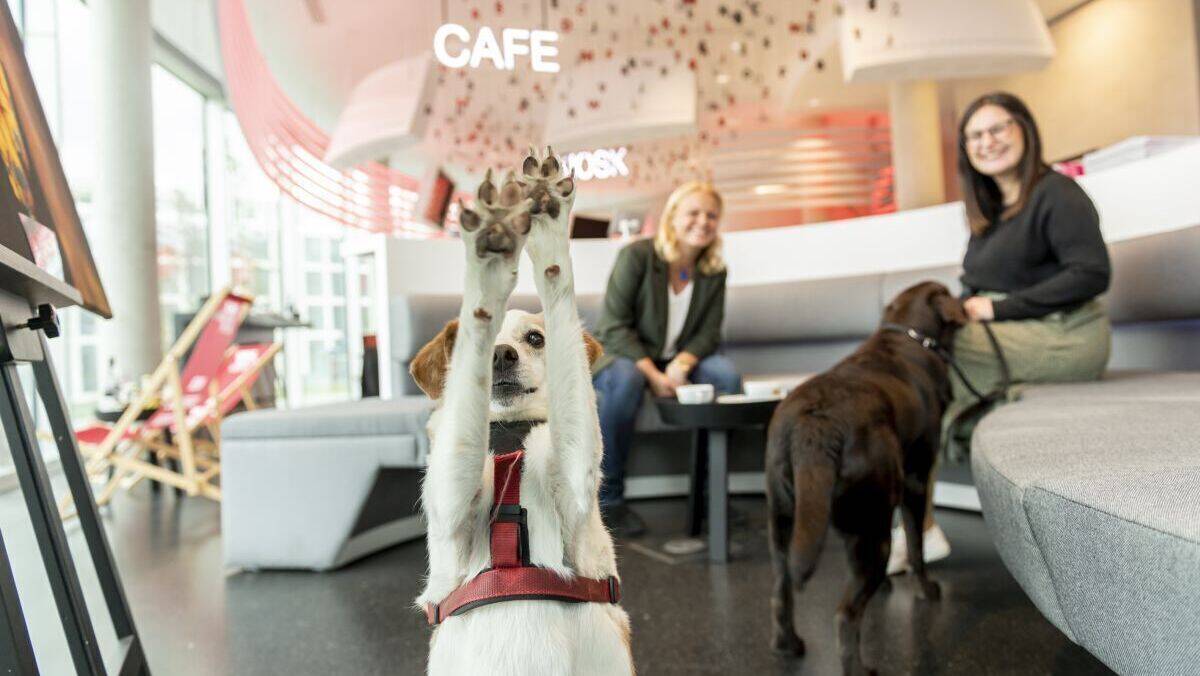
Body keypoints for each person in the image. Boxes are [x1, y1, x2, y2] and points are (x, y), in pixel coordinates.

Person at [889, 92, 1112, 574]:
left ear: (1024, 130)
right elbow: (975, 285)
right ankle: (915, 525)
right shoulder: (986, 213)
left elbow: (1092, 274)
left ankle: (915, 527)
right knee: (917, 355)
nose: (987, 142)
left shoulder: (1057, 194)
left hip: (1069, 335)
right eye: (975, 135)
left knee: (928, 365)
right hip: (1017, 333)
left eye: (998, 128)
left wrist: (997, 307)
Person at [592, 181, 742, 537]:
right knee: (626, 379)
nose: (702, 222)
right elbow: (613, 327)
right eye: (694, 212)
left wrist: (683, 364)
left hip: (675, 359)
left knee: (726, 376)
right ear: (673, 217)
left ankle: (710, 493)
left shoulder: (713, 270)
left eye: (711, 215)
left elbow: (708, 332)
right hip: (626, 357)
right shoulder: (638, 256)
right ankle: (609, 500)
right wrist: (654, 376)